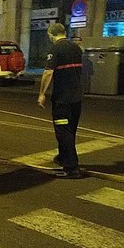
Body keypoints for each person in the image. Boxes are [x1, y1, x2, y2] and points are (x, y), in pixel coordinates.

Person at [38, 23, 83, 179]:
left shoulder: (55, 49)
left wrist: (42, 93)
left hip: (62, 99)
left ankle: (71, 168)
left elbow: (48, 73)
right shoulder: (76, 48)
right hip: (77, 98)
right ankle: (63, 157)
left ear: (51, 35)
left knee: (63, 132)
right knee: (70, 131)